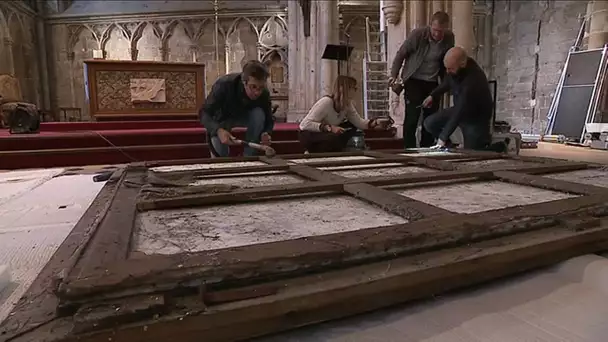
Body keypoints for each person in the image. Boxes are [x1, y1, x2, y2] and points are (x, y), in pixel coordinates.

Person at [388, 11, 455, 149]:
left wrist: (449, 84)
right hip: (414, 79)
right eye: (435, 30)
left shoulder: (448, 38)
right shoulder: (418, 35)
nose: (437, 34)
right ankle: (409, 149)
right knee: (412, 116)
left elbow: (449, 59)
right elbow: (401, 54)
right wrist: (393, 75)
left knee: (430, 118)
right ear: (430, 26)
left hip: (432, 81)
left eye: (441, 31)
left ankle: (426, 147)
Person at [421, 47, 494, 151]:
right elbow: (448, 82)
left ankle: (499, 147)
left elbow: (460, 110)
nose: (447, 71)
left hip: (476, 117)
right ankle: (449, 146)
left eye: (450, 69)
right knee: (429, 123)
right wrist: (432, 95)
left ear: (462, 64)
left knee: (472, 153)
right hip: (461, 108)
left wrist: (442, 138)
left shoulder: (473, 80)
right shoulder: (456, 68)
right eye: (447, 68)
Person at [199, 60, 274, 157]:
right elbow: (203, 113)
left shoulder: (264, 93)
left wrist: (266, 133)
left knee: (258, 114)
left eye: (260, 88)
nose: (257, 92)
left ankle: (248, 157)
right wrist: (218, 130)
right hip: (222, 119)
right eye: (253, 87)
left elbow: (269, 119)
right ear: (244, 82)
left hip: (246, 116)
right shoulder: (224, 85)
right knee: (220, 158)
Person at [299, 75, 391, 153]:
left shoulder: (347, 104)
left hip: (328, 134)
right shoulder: (326, 102)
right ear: (343, 89)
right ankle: (313, 151)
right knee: (333, 138)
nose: (356, 91)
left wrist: (375, 123)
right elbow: (304, 124)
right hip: (311, 134)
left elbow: (359, 122)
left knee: (351, 126)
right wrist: (329, 128)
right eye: (353, 88)